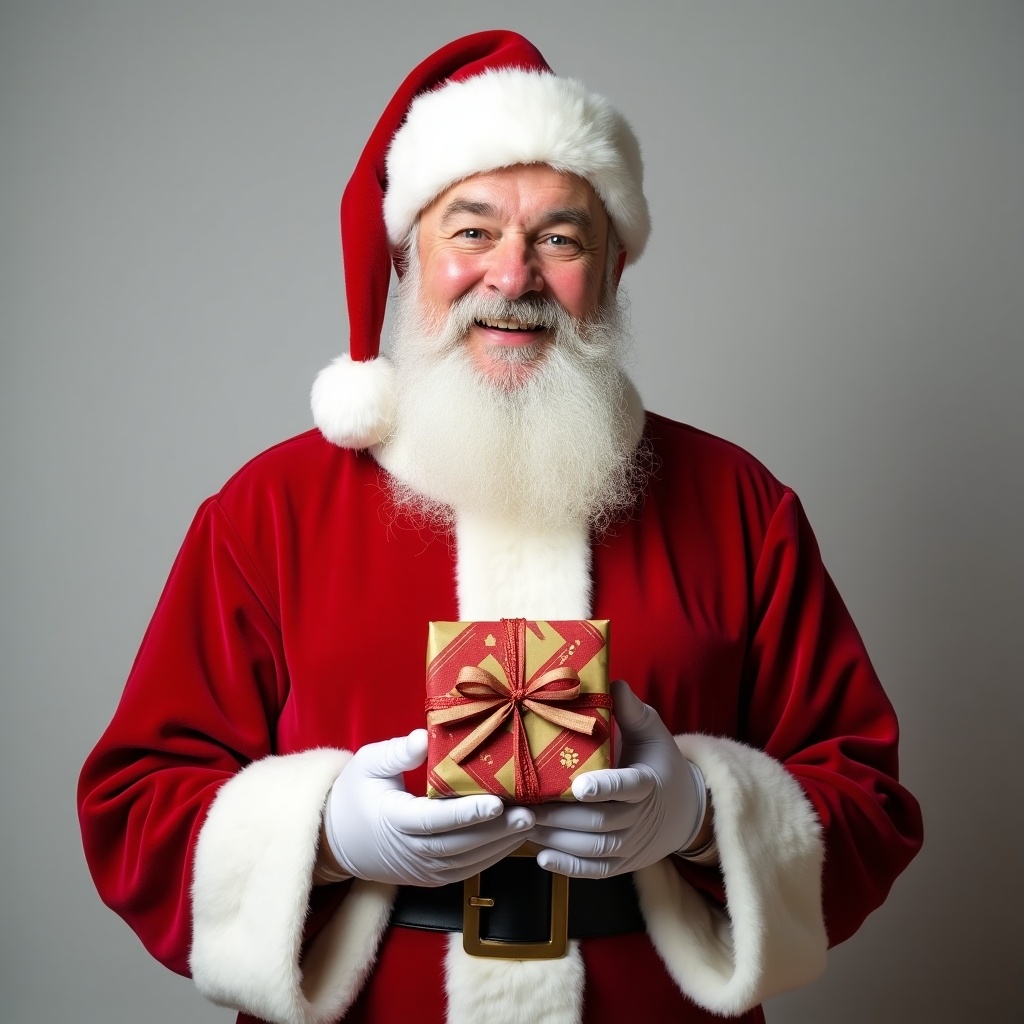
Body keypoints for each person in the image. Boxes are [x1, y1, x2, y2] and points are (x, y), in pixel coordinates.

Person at [78, 30, 923, 1024]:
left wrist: (698, 813)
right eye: (471, 231)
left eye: (559, 238)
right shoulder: (270, 508)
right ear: (410, 257)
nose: (513, 275)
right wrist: (322, 833)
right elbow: (133, 807)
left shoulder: (738, 503)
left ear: (609, 269)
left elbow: (866, 802)